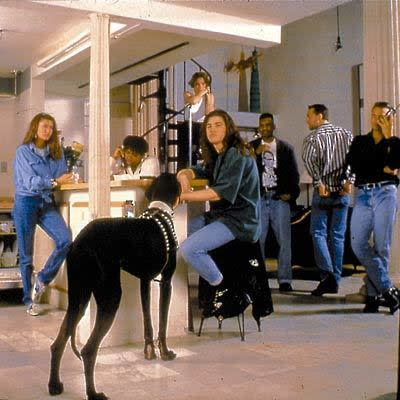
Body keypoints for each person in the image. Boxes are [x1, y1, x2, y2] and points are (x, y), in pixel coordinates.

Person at [178, 109, 261, 295]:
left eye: (218, 125)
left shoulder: (237, 153)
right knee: (178, 233)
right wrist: (184, 174)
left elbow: (217, 194)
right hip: (220, 216)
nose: (212, 130)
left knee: (189, 249)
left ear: (228, 129)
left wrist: (183, 196)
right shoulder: (219, 155)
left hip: (239, 220)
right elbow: (200, 170)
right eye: (208, 126)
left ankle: (221, 285)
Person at [13, 113, 74, 316]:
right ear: (35, 128)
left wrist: (55, 182)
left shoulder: (56, 154)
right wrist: (54, 182)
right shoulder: (23, 152)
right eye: (44, 126)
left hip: (47, 202)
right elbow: (31, 182)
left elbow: (62, 177)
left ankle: (43, 279)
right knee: (26, 256)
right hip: (26, 203)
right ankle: (29, 301)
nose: (48, 130)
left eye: (51, 127)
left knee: (66, 240)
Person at [346, 101, 400, 314]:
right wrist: (384, 166)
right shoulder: (360, 141)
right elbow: (355, 164)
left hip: (385, 193)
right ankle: (387, 289)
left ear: (390, 118)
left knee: (382, 245)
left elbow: (395, 164)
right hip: (363, 194)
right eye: (374, 115)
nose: (377, 119)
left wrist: (390, 137)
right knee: (357, 242)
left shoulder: (394, 142)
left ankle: (373, 295)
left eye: (383, 116)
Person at [302, 104, 353, 296]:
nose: (307, 119)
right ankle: (336, 279)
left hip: (322, 192)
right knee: (338, 236)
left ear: (319, 116)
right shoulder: (346, 134)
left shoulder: (312, 138)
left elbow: (309, 161)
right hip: (342, 192)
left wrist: (319, 181)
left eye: (309, 116)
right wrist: (349, 180)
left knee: (317, 233)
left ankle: (327, 277)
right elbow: (354, 159)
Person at [252, 113, 300, 292]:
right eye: (261, 125)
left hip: (278, 198)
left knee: (284, 241)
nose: (264, 128)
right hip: (259, 198)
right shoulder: (251, 148)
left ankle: (285, 279)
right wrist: (254, 156)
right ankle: (259, 279)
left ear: (273, 126)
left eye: (267, 125)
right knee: (258, 240)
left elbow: (294, 174)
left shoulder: (285, 148)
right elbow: (245, 171)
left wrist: (291, 194)